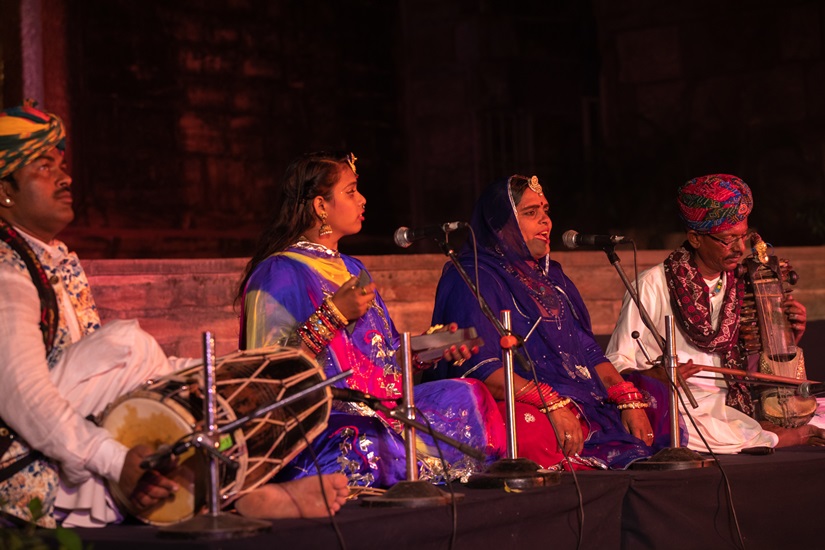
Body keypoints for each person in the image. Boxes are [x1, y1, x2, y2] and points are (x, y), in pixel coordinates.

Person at [0, 103, 348, 528]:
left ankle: (232, 493)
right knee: (127, 346)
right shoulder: (5, 272)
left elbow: (89, 378)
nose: (65, 177)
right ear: (5, 191)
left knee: (190, 378)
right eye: (43, 166)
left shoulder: (44, 260)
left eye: (62, 165)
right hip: (19, 466)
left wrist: (220, 374)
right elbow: (23, 396)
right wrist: (115, 459)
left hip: (65, 440)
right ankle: (234, 496)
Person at [237, 151, 505, 488]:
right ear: (321, 206)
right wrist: (333, 314)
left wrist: (427, 349)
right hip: (323, 418)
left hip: (381, 408)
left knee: (469, 396)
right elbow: (267, 375)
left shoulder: (353, 268)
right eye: (351, 191)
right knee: (369, 438)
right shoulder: (278, 273)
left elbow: (381, 354)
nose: (362, 199)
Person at [425, 175, 665, 470]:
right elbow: (481, 369)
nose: (546, 221)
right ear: (499, 225)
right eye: (531, 212)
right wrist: (550, 402)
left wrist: (626, 397)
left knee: (656, 400)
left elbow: (587, 351)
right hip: (520, 401)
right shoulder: (472, 276)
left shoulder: (552, 278)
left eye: (546, 210)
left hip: (578, 395)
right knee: (528, 430)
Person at [605, 173, 825, 453]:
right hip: (682, 404)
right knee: (685, 429)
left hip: (738, 400)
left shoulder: (746, 283)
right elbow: (615, 361)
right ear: (695, 238)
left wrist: (788, 337)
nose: (740, 248)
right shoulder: (653, 284)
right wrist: (654, 375)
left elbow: (756, 369)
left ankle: (762, 432)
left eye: (743, 236)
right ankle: (784, 436)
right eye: (727, 239)